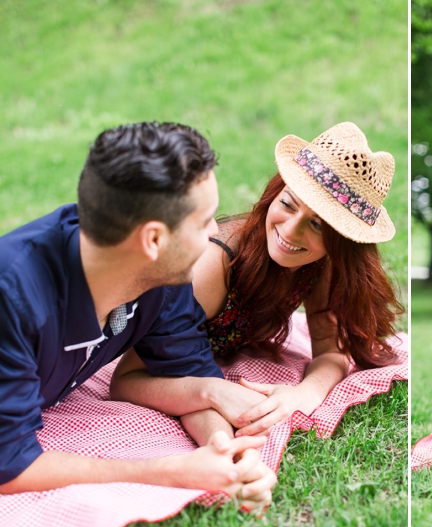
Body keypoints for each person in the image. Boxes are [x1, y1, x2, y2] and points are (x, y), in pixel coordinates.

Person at [0, 122, 275, 512]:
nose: (217, 231)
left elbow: (187, 374)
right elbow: (12, 467)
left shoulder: (161, 276)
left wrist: (229, 457)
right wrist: (173, 471)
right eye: (204, 221)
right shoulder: (13, 296)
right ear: (153, 240)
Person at [111, 122, 404, 436]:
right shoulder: (212, 268)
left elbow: (331, 350)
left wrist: (306, 393)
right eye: (287, 204)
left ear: (341, 243)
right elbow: (127, 380)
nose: (290, 231)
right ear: (273, 194)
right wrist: (215, 411)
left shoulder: (321, 262)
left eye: (318, 225)